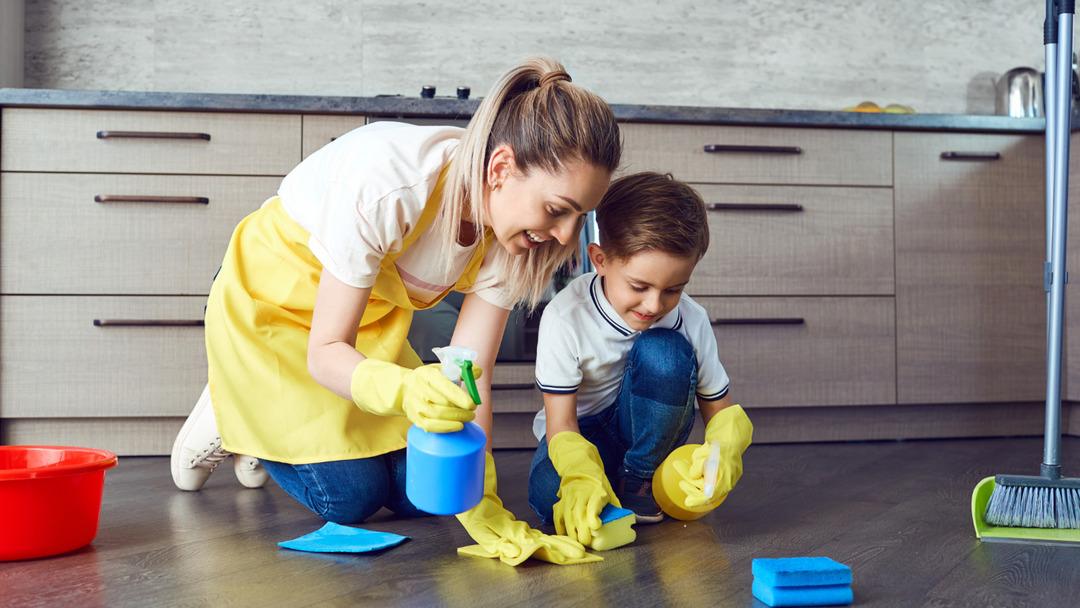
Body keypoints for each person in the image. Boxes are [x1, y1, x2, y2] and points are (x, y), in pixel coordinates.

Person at [169, 57, 621, 565]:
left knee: (430, 493)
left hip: (364, 324)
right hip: (274, 313)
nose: (565, 236)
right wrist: (407, 390)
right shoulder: (391, 185)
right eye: (558, 209)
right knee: (349, 498)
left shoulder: (515, 238)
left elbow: (472, 374)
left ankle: (269, 426)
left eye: (580, 216)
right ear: (500, 169)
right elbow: (324, 351)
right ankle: (231, 409)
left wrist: (480, 500)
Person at [528, 172, 754, 547]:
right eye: (639, 286)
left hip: (649, 435)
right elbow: (561, 423)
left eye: (673, 290)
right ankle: (606, 480)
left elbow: (720, 409)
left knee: (665, 350)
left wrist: (725, 451)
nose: (654, 305)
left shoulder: (690, 319)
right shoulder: (566, 316)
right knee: (549, 495)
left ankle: (640, 478)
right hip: (579, 434)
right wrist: (580, 476)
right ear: (599, 259)